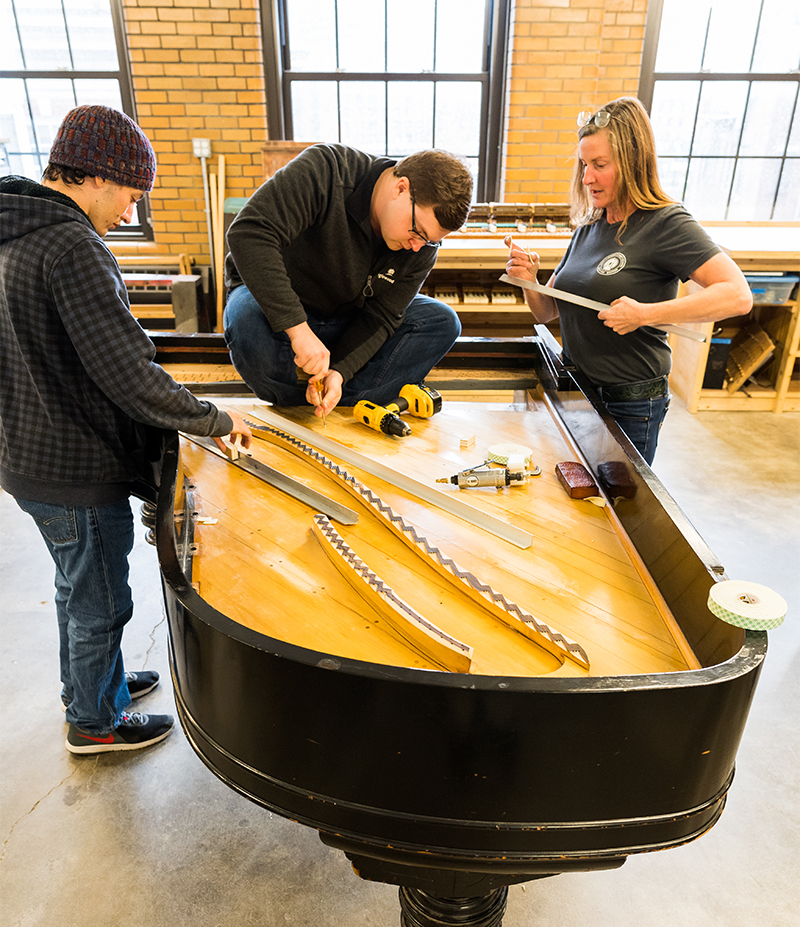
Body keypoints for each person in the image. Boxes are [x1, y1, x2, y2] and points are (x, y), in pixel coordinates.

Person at [0, 104, 252, 754]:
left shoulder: (14, 228)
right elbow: (127, 372)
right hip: (75, 466)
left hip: (28, 453)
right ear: (100, 176)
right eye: (132, 195)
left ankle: (96, 686)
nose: (129, 212)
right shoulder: (72, 246)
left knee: (73, 588)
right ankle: (95, 722)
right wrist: (212, 420)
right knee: (100, 603)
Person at [505, 96, 753, 464]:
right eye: (584, 164)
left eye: (599, 165)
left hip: (630, 403)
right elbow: (549, 312)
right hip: (577, 391)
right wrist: (529, 281)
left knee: (621, 510)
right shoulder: (590, 224)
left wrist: (645, 314)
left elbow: (737, 295)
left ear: (633, 162)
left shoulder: (666, 223)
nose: (587, 177)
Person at [223, 143, 473, 418]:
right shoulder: (327, 170)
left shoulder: (422, 246)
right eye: (418, 231)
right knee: (246, 320)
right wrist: (298, 330)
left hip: (346, 315)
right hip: (277, 307)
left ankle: (337, 400)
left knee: (442, 322)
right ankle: (293, 406)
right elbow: (249, 232)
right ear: (401, 188)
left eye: (429, 241)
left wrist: (340, 371)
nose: (417, 247)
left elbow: (382, 315)